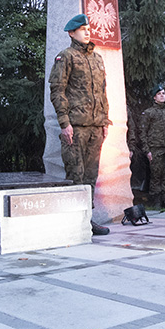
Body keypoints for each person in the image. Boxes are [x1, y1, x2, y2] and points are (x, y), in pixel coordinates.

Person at [48, 13, 112, 236]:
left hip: (95, 126)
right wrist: (64, 123)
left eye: (88, 28)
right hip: (75, 126)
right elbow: (57, 91)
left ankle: (87, 220)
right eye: (82, 29)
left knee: (90, 177)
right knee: (76, 175)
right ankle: (73, 222)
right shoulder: (65, 57)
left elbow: (102, 92)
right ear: (71, 33)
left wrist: (105, 120)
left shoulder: (97, 59)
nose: (88, 31)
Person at [141, 84, 165, 210]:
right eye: (159, 94)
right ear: (154, 97)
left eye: (163, 94)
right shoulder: (149, 113)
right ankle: (156, 201)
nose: (162, 96)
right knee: (156, 176)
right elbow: (143, 133)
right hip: (155, 148)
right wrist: (147, 150)